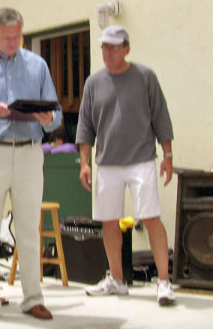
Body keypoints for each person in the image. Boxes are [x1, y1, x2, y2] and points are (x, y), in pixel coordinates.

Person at [0, 7, 61, 323]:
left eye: (17, 36)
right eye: (6, 37)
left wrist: (49, 119)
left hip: (30, 150)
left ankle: (33, 298)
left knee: (30, 227)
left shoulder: (38, 65)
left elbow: (55, 112)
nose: (13, 42)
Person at [76, 25, 176, 306]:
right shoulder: (93, 83)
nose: (107, 52)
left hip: (141, 161)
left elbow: (161, 117)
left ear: (126, 48)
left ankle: (165, 283)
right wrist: (85, 163)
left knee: (151, 217)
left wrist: (167, 156)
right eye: (104, 47)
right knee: (109, 221)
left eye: (113, 46)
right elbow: (85, 126)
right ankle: (117, 281)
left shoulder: (145, 76)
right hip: (106, 163)